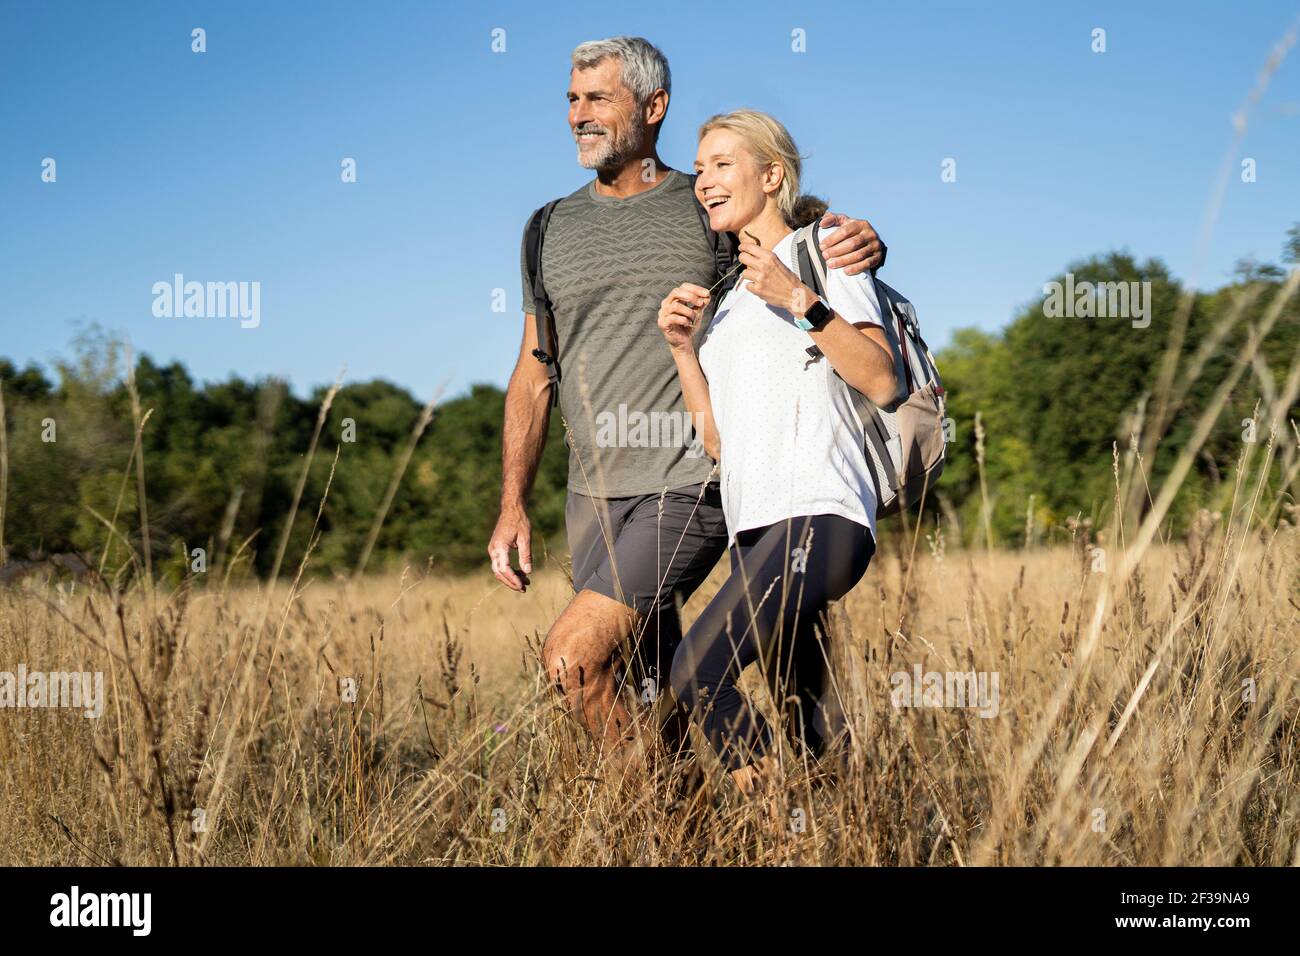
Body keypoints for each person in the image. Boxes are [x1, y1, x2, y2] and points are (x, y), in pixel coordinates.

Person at [488, 37, 887, 759]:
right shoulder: (546, 227)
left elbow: (798, 234)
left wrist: (861, 238)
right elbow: (532, 370)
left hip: (689, 483)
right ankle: (689, 830)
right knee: (646, 690)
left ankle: (768, 807)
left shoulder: (703, 207)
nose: (579, 115)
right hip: (594, 495)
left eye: (598, 98)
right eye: (572, 100)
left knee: (576, 657)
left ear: (653, 106)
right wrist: (513, 501)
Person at [657, 110, 899, 793]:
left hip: (820, 516)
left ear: (771, 175)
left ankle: (782, 838)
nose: (704, 180)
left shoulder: (825, 250)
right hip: (755, 529)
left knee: (698, 673)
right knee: (808, 726)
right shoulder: (729, 301)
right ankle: (838, 834)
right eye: (700, 168)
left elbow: (882, 379)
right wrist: (683, 350)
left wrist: (801, 301)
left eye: (722, 164)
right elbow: (716, 441)